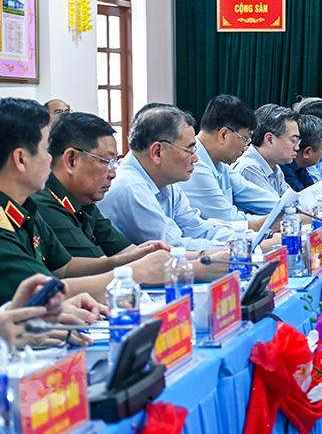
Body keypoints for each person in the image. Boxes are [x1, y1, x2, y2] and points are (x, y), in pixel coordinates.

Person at [0, 99, 168, 303]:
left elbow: (65, 267)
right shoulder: (22, 212)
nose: (51, 159)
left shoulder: (25, 207)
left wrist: (124, 260)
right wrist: (136, 272)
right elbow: (41, 294)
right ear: (21, 159)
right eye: (45, 150)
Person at [36, 112, 228, 279]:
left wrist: (213, 256)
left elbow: (129, 254)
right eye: (106, 162)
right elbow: (102, 273)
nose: (113, 173)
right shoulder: (47, 203)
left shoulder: (85, 200)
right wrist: (200, 266)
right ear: (71, 160)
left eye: (115, 162)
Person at [100, 105, 239, 251]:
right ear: (157, 152)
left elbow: (197, 228)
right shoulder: (130, 188)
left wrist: (246, 241)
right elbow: (173, 248)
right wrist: (233, 248)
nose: (195, 159)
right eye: (189, 150)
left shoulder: (167, 183)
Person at [180, 95, 278, 228]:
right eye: (245, 139)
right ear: (223, 134)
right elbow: (229, 219)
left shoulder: (220, 163)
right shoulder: (195, 167)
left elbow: (252, 194)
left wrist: (289, 209)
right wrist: (275, 220)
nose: (246, 147)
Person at [233, 104, 299, 196]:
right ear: (269, 140)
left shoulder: (274, 167)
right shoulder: (250, 168)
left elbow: (292, 201)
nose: (297, 148)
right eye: (293, 141)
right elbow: (276, 204)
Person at [281, 114, 322, 191]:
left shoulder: (300, 166)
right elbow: (303, 196)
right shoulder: (284, 171)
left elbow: (312, 190)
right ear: (307, 152)